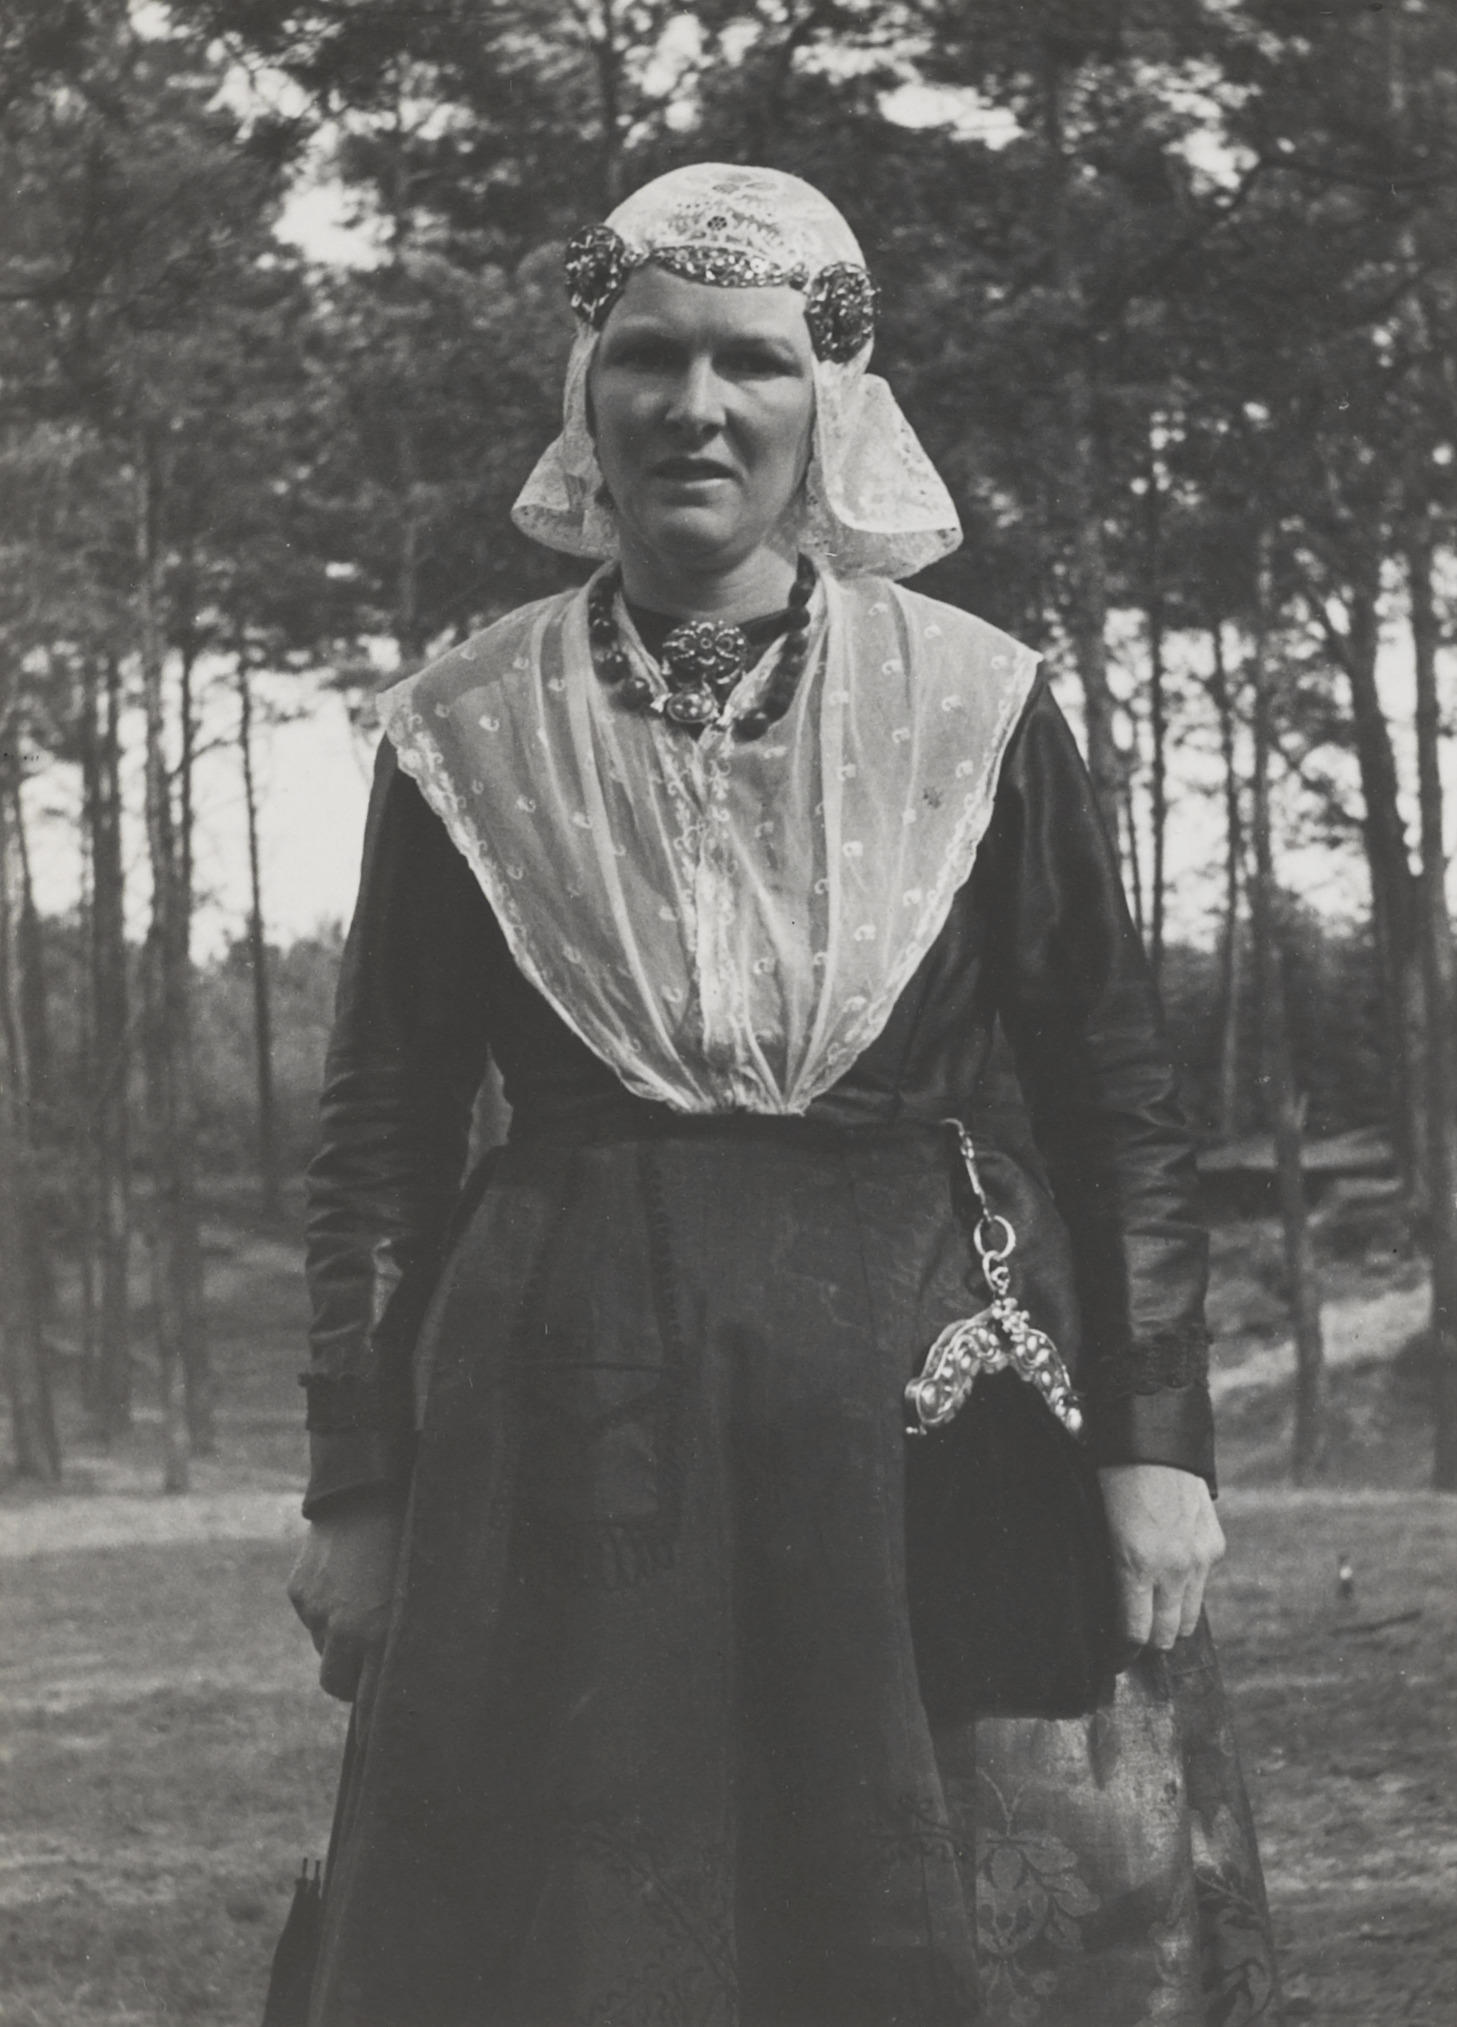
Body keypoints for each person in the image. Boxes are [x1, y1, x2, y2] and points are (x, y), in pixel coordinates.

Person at [288, 164, 1283, 2027]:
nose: (696, 406)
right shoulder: (464, 725)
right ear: (584, 394)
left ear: (832, 399)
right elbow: (385, 1133)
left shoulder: (975, 702)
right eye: (647, 357)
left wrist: (1157, 1442)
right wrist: (355, 1487)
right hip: (564, 1416)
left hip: (914, 1400)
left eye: (751, 361)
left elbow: (1111, 1096)